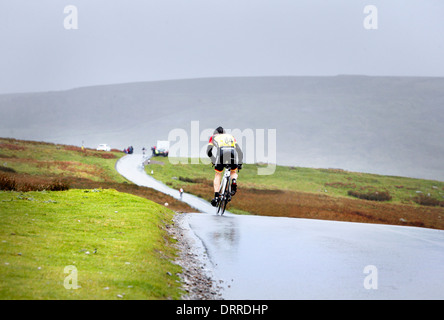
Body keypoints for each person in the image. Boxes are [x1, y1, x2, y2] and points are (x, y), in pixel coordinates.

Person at [206, 126, 243, 207]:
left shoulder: (213, 137)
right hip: (232, 152)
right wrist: (239, 163)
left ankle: (216, 196)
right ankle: (233, 181)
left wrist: (214, 160)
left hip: (221, 152)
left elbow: (208, 151)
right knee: (233, 171)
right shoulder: (231, 137)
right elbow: (239, 151)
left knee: (218, 174)